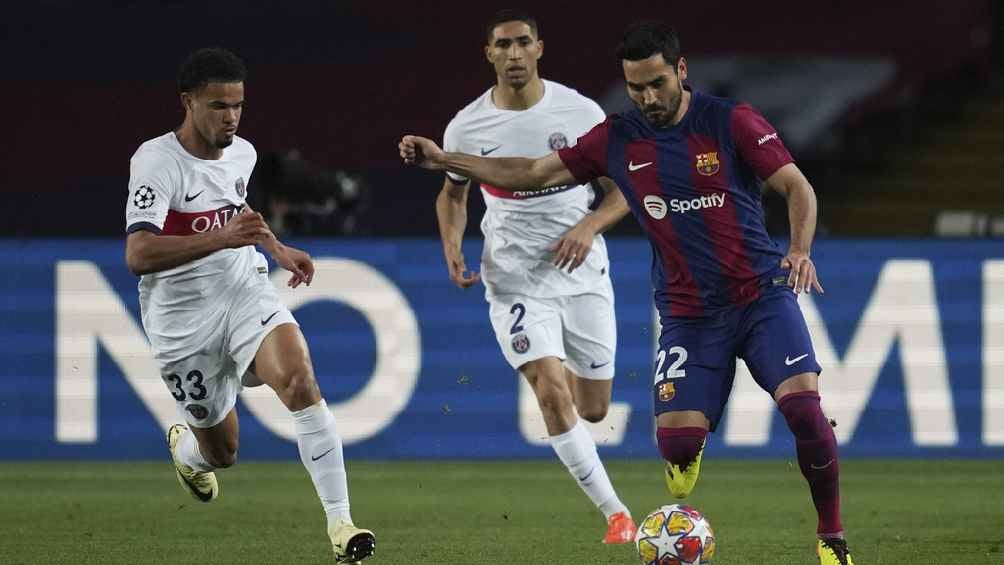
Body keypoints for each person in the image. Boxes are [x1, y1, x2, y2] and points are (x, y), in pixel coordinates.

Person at [400, 20, 854, 565]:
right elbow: (531, 171)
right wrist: (445, 160)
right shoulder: (617, 137)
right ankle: (687, 444)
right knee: (675, 446)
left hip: (761, 296)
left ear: (681, 71)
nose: (648, 98)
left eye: (657, 84)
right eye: (636, 88)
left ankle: (831, 538)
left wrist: (799, 250)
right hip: (689, 314)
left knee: (804, 411)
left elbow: (796, 186)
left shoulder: (730, 120)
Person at [124, 47, 375, 564]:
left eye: (238, 105)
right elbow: (139, 254)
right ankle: (188, 452)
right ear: (188, 102)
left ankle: (341, 524)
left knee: (300, 381)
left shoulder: (243, 153)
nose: (231, 117)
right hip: (180, 322)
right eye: (218, 106)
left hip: (241, 291)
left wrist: (277, 249)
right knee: (223, 453)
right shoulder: (156, 162)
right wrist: (222, 238)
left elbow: (237, 209)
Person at [435, 9, 637, 545]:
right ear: (489, 54)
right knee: (549, 390)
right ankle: (617, 515)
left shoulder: (581, 112)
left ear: (540, 48)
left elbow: (622, 191)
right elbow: (452, 195)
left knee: (593, 407)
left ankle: (564, 401)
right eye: (503, 45)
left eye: (523, 42)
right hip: (514, 276)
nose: (514, 54)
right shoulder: (467, 126)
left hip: (581, 270)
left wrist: (588, 227)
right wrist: (452, 244)